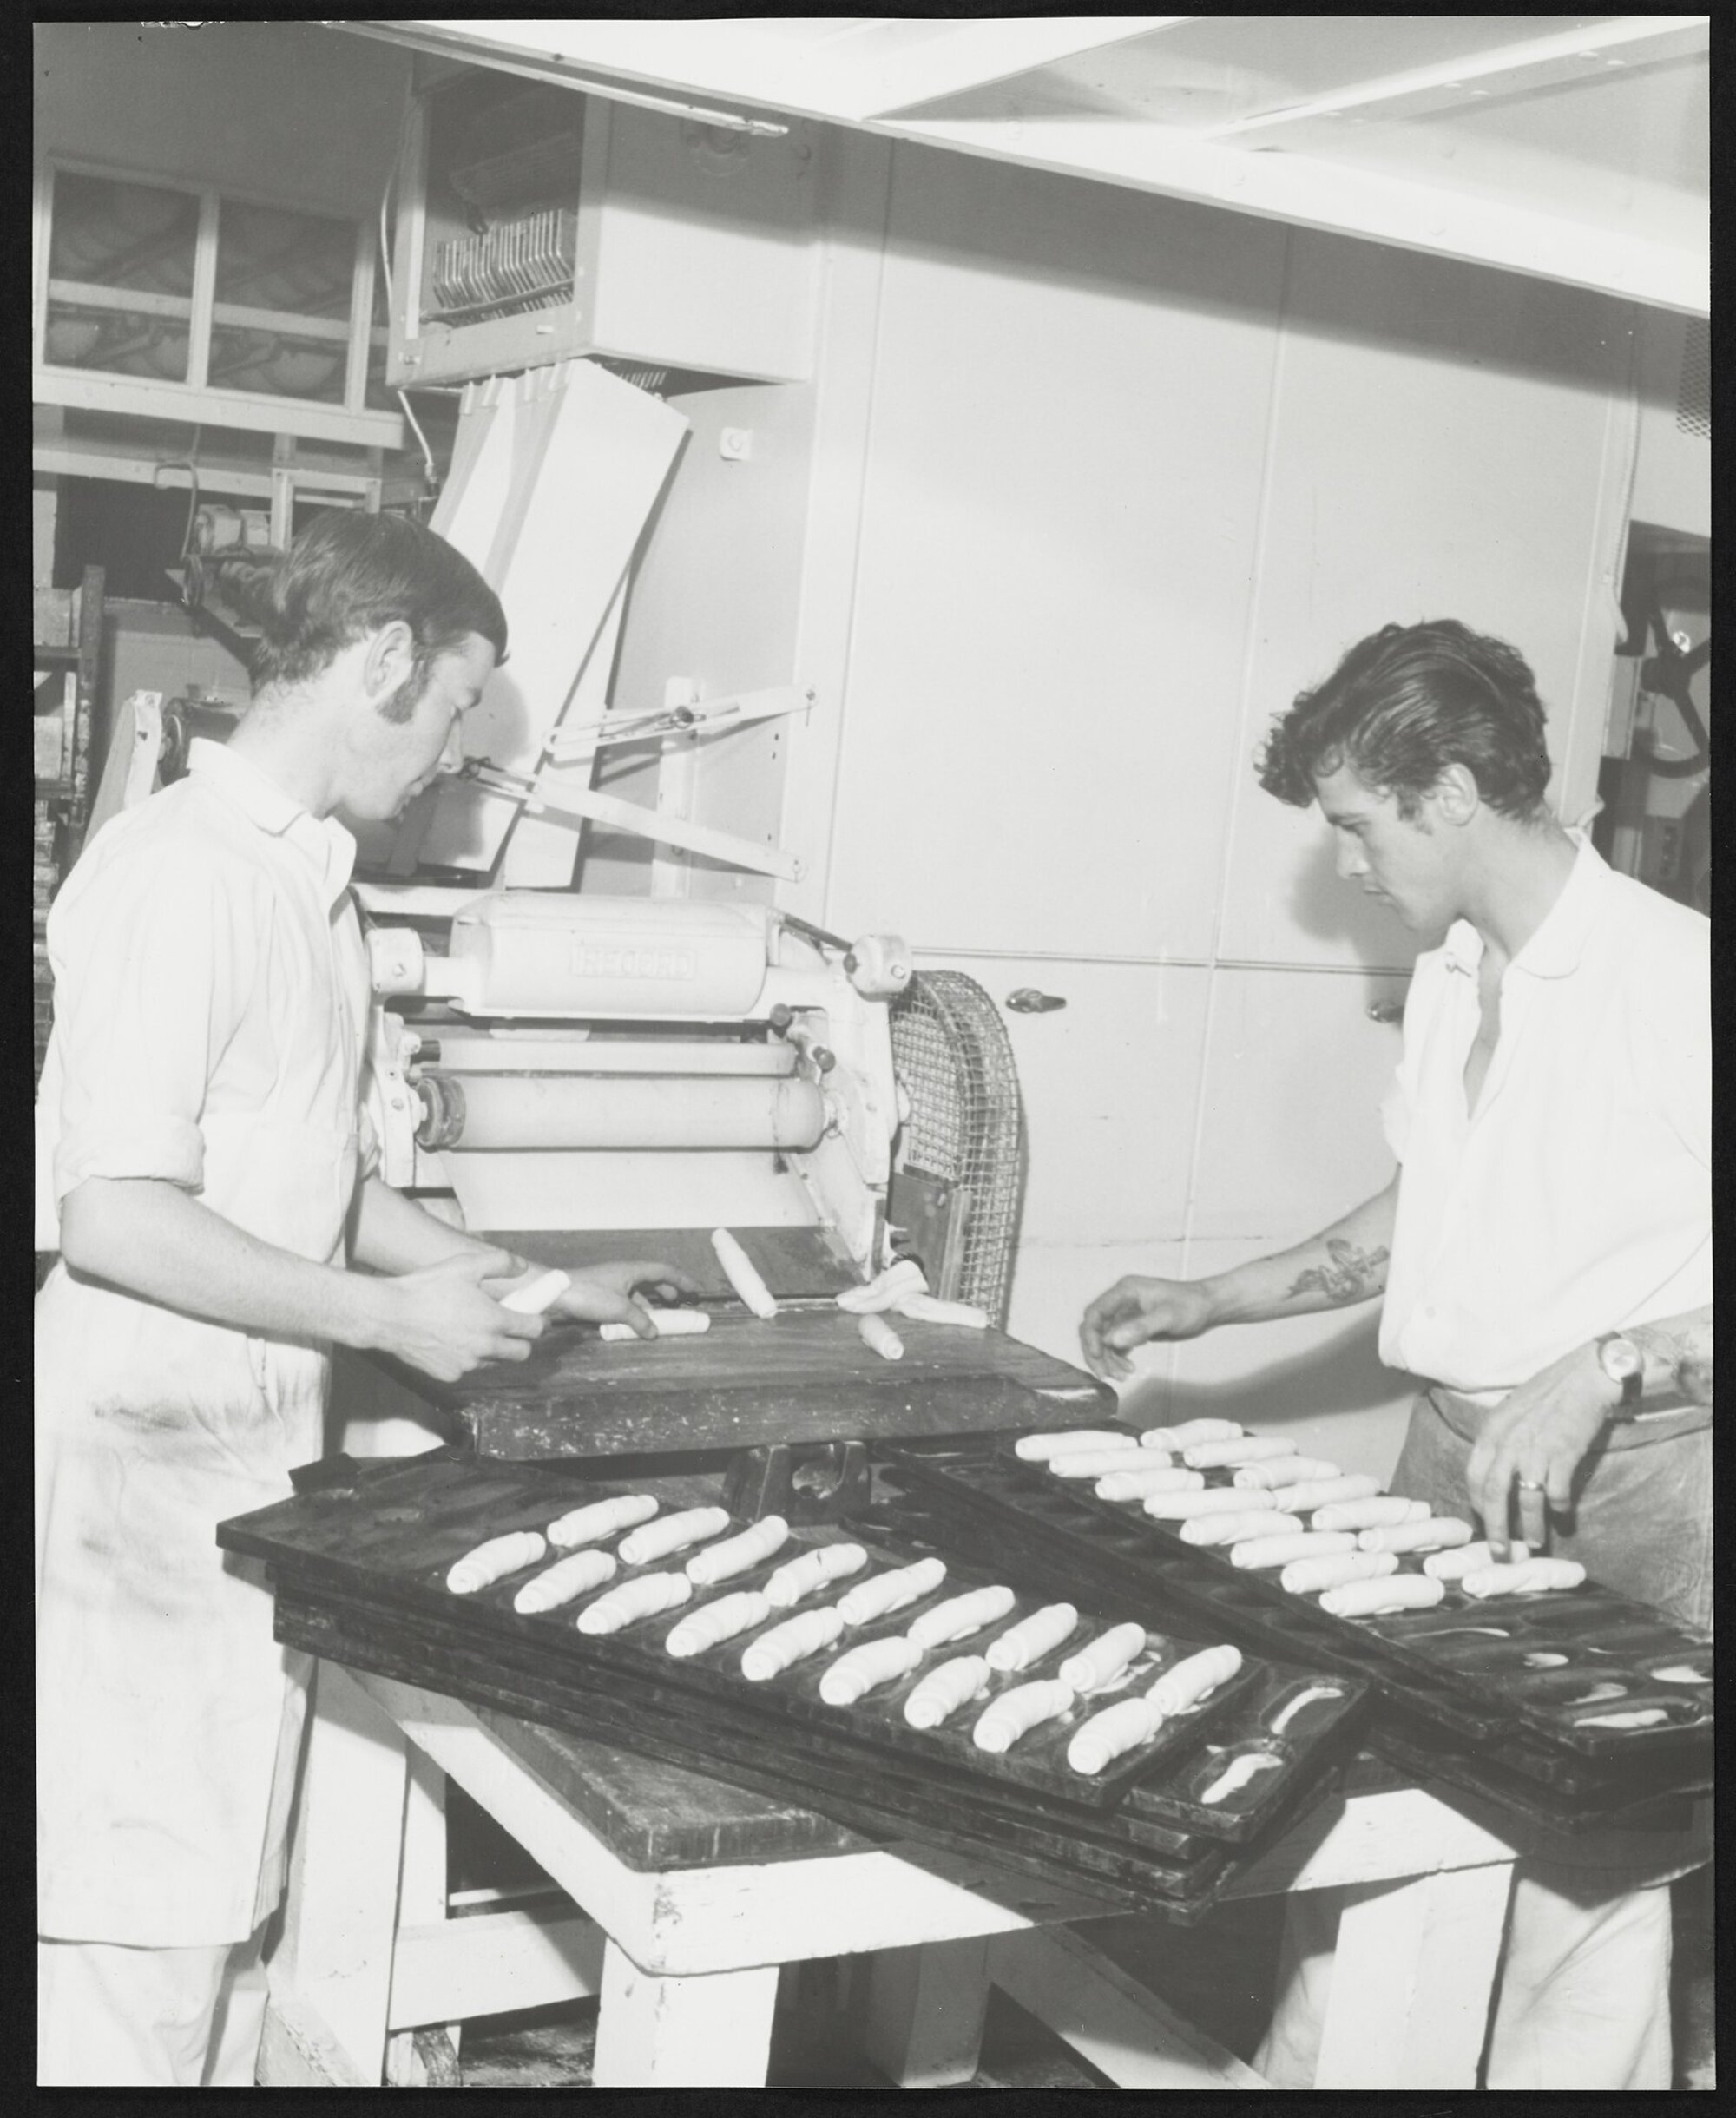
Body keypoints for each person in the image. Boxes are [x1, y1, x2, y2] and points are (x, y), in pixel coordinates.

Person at [35, 512, 693, 2088]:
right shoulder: (180, 874)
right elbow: (114, 1216)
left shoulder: (312, 890)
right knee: (136, 1942)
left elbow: (317, 1176)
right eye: (461, 704)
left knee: (224, 1908)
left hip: (242, 1456)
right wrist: (389, 1323)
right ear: (386, 662)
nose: (460, 749)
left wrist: (525, 1282)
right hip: (139, 1463)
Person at [1081, 619, 1711, 2091]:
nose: (1351, 866)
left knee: (1587, 1889)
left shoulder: (1672, 980)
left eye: (1362, 826)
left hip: (1641, 1488)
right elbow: (1428, 1206)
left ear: (1451, 796)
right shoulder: (1451, 974)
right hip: (1456, 1460)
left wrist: (1607, 1365)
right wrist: (1216, 1300)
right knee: (1383, 1828)